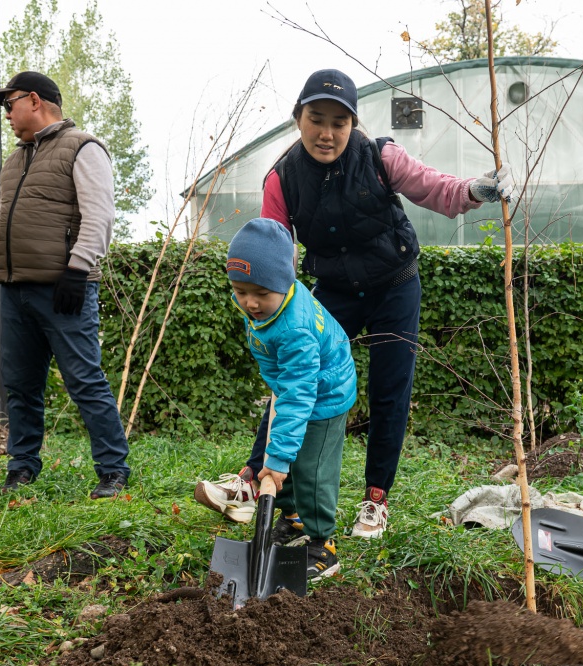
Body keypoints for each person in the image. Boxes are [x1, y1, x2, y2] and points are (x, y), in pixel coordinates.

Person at [194, 68, 514, 538]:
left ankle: (375, 500)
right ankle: (251, 481)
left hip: (394, 283)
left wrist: (474, 190)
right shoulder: (282, 180)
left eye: (338, 122)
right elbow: (272, 254)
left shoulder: (380, 156)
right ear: (297, 119)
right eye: (316, 119)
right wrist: (279, 313)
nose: (327, 133)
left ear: (353, 124)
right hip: (335, 290)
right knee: (295, 374)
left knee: (390, 391)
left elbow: (432, 187)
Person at [0, 71, 129, 499]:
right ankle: (22, 467)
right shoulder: (16, 159)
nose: (7, 114)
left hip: (63, 290)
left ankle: (114, 470)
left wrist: (77, 271)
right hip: (14, 291)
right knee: (20, 385)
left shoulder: (83, 147)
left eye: (10, 104)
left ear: (35, 100)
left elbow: (100, 216)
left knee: (84, 381)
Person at [219, 217, 357, 579]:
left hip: (323, 395)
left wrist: (279, 458)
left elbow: (300, 393)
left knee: (309, 470)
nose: (249, 302)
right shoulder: (272, 305)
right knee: (281, 459)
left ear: (284, 282)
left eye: (261, 294)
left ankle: (323, 544)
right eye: (240, 290)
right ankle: (293, 520)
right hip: (295, 387)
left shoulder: (295, 327)